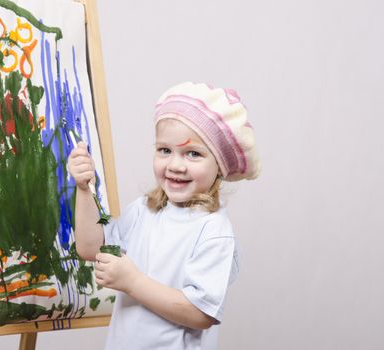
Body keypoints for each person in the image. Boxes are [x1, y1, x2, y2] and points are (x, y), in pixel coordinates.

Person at [67, 82, 260, 349]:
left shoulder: (213, 230)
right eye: (165, 150)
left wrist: (133, 282)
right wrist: (83, 188)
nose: (175, 165)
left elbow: (201, 313)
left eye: (193, 154)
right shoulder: (144, 210)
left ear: (219, 167)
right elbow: (90, 247)